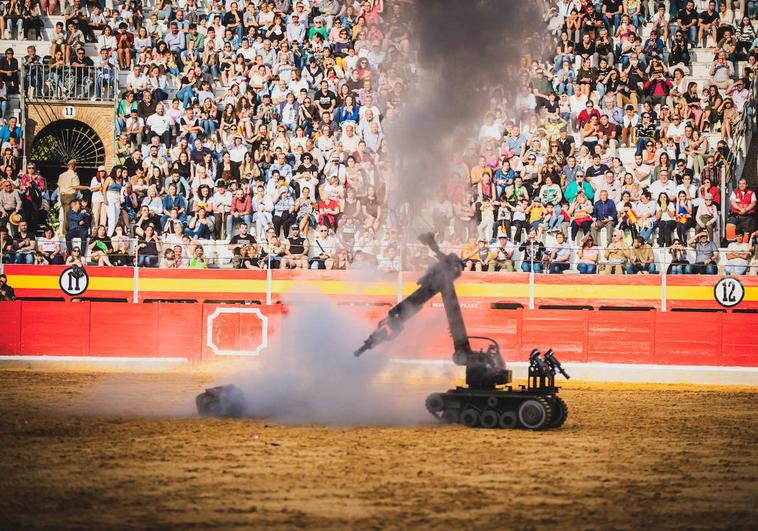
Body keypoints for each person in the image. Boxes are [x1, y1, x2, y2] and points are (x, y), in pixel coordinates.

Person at [57, 159, 88, 235]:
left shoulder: (62, 175)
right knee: (69, 214)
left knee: (64, 214)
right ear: (74, 166)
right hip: (70, 196)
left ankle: (65, 231)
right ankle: (67, 232)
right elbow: (76, 186)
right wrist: (87, 187)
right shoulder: (74, 175)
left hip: (62, 196)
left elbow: (59, 186)